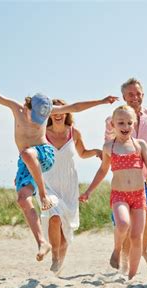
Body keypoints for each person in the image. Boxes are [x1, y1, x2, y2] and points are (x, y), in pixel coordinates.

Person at [0, 53, 118, 261]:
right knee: (22, 199)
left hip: (44, 154)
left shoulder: (47, 110)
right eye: (39, 116)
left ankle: (42, 195)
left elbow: (76, 107)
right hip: (26, 162)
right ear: (28, 106)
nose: (42, 119)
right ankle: (42, 242)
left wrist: (102, 101)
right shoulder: (16, 108)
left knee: (27, 153)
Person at [80, 105, 147, 280]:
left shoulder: (140, 145)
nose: (125, 126)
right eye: (121, 123)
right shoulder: (109, 147)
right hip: (119, 195)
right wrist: (88, 191)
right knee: (123, 224)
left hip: (139, 195)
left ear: (134, 124)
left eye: (129, 123)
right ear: (113, 125)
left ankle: (132, 276)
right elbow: (102, 171)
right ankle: (117, 249)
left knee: (136, 236)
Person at [104, 78, 147, 270]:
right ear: (124, 96)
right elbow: (109, 148)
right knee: (127, 225)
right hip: (125, 181)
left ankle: (143, 249)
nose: (135, 97)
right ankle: (124, 260)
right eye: (130, 94)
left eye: (138, 93)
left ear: (143, 95)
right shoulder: (112, 120)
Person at [38, 99, 103, 275]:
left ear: (67, 112)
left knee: (66, 228)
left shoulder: (74, 132)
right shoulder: (41, 133)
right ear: (49, 114)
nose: (58, 114)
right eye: (54, 110)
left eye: (62, 110)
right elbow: (31, 157)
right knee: (55, 216)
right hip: (48, 184)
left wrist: (96, 152)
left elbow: (82, 153)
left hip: (69, 186)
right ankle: (54, 258)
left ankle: (60, 263)